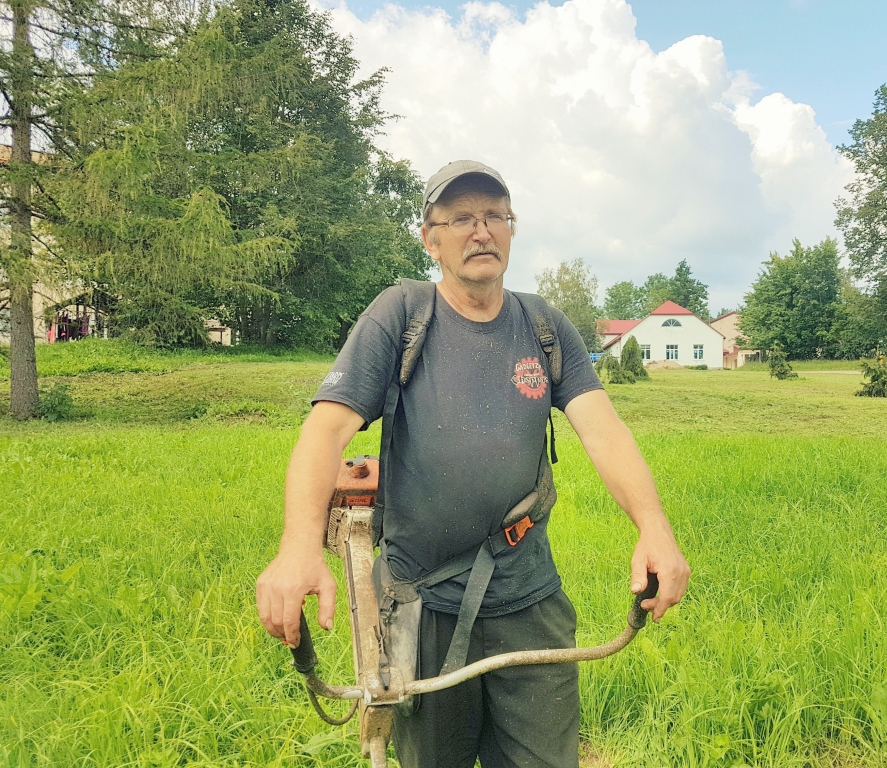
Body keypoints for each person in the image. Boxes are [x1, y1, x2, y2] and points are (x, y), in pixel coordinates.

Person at [256, 160, 691, 768]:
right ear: (430, 239)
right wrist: (298, 547)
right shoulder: (402, 314)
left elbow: (605, 431)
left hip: (529, 601)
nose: (480, 231)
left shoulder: (543, 326)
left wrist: (655, 528)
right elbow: (327, 426)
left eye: (494, 216)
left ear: (511, 231)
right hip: (422, 604)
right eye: (460, 218)